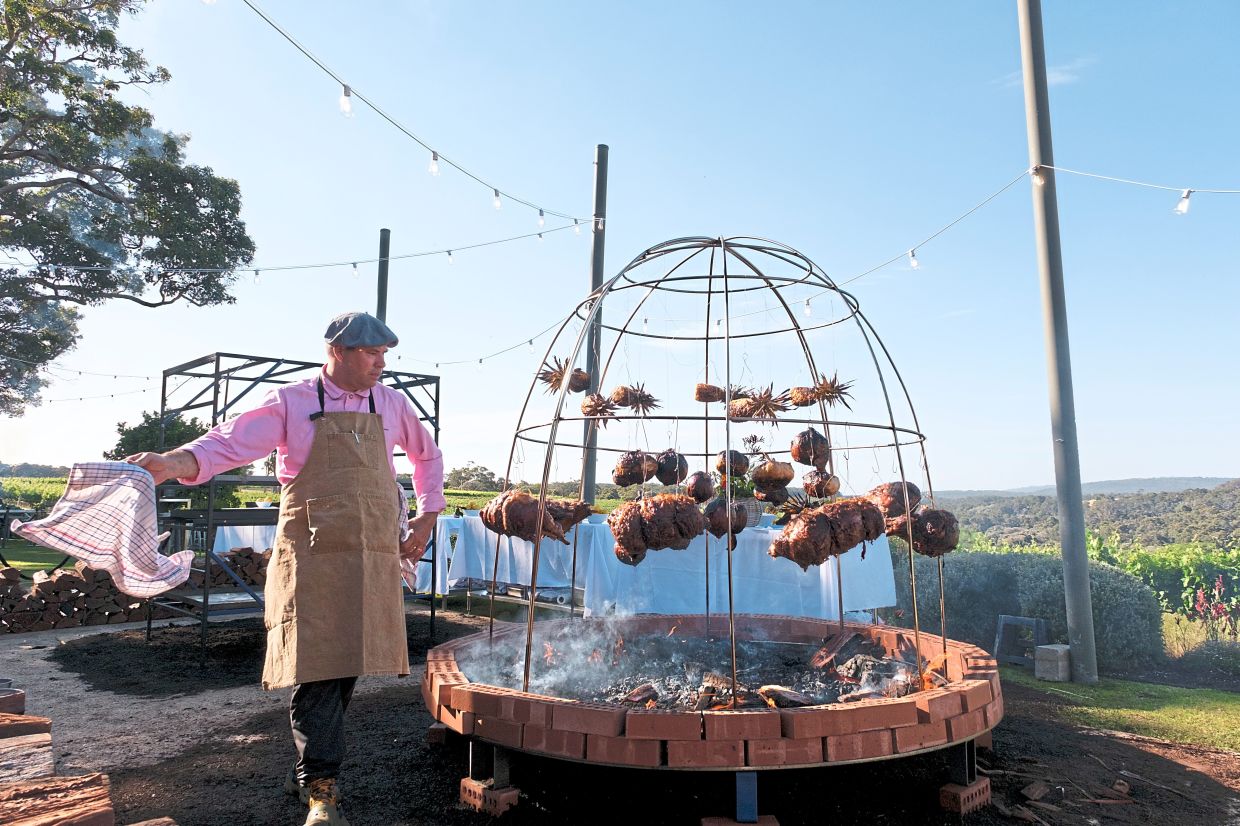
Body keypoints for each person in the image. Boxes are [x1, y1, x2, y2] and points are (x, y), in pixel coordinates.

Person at [127, 312, 444, 826]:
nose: (381, 364)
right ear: (337, 351)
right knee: (314, 664)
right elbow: (225, 445)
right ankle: (321, 790)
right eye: (371, 354)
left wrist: (428, 517)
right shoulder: (292, 402)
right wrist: (172, 462)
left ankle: (314, 773)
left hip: (370, 554)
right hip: (311, 555)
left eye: (385, 354)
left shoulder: (391, 404)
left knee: (348, 663)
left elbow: (428, 458)